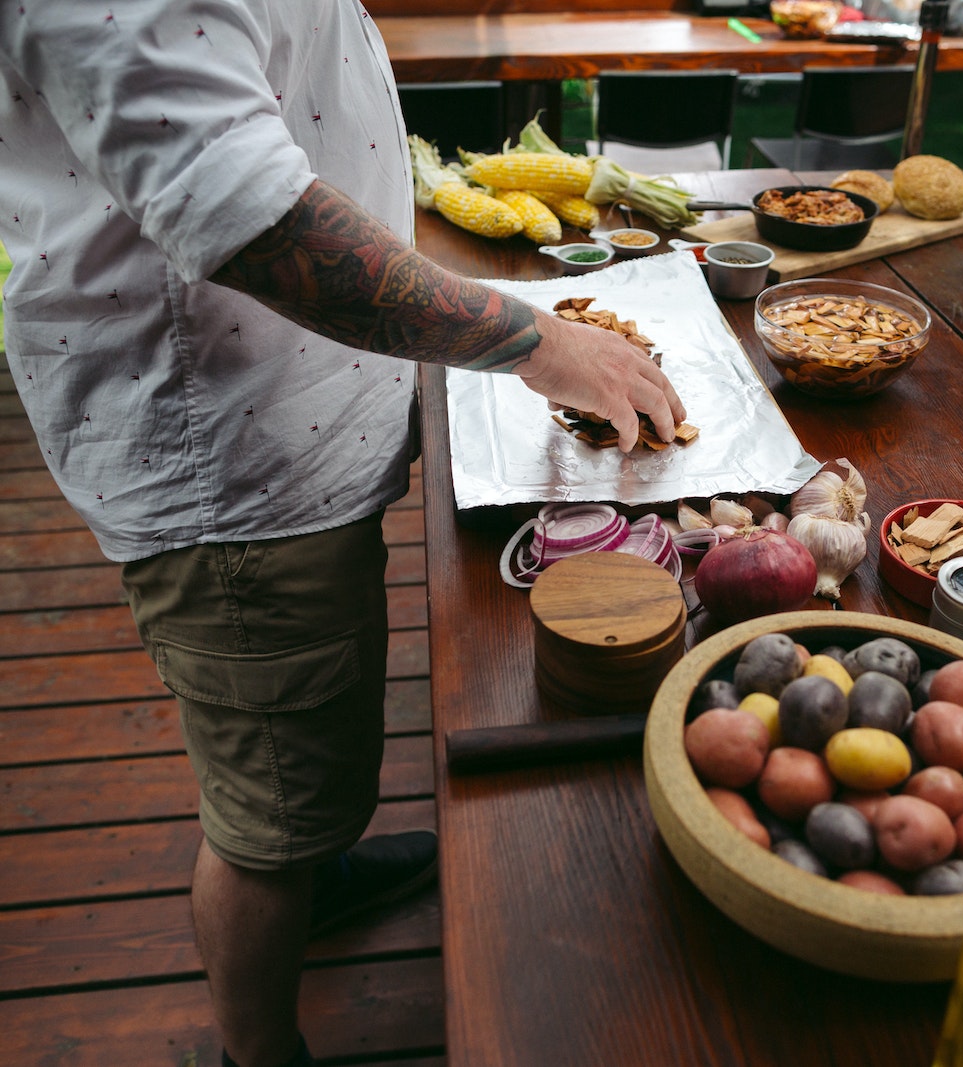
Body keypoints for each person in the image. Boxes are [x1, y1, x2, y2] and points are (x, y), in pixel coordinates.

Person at [0, 4, 684, 1066]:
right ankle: (261, 1036)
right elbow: (260, 227)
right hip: (232, 468)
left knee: (307, 752)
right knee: (265, 818)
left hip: (299, 422)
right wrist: (536, 342)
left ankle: (321, 861)